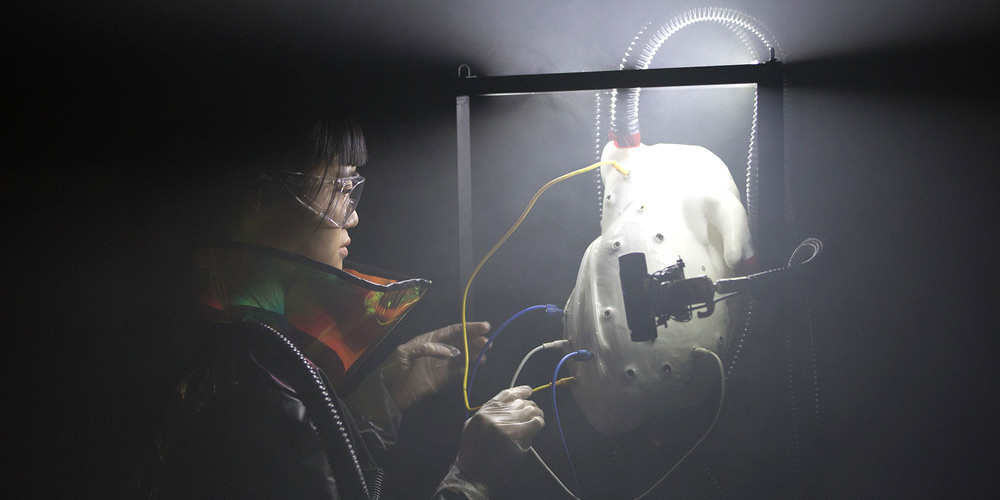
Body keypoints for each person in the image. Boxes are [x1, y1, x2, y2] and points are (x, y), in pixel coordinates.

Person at [139, 102, 545, 499]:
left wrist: (377, 402)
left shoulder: (228, 334)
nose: (352, 216)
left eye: (353, 189)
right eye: (339, 187)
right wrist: (471, 480)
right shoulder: (256, 374)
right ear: (265, 198)